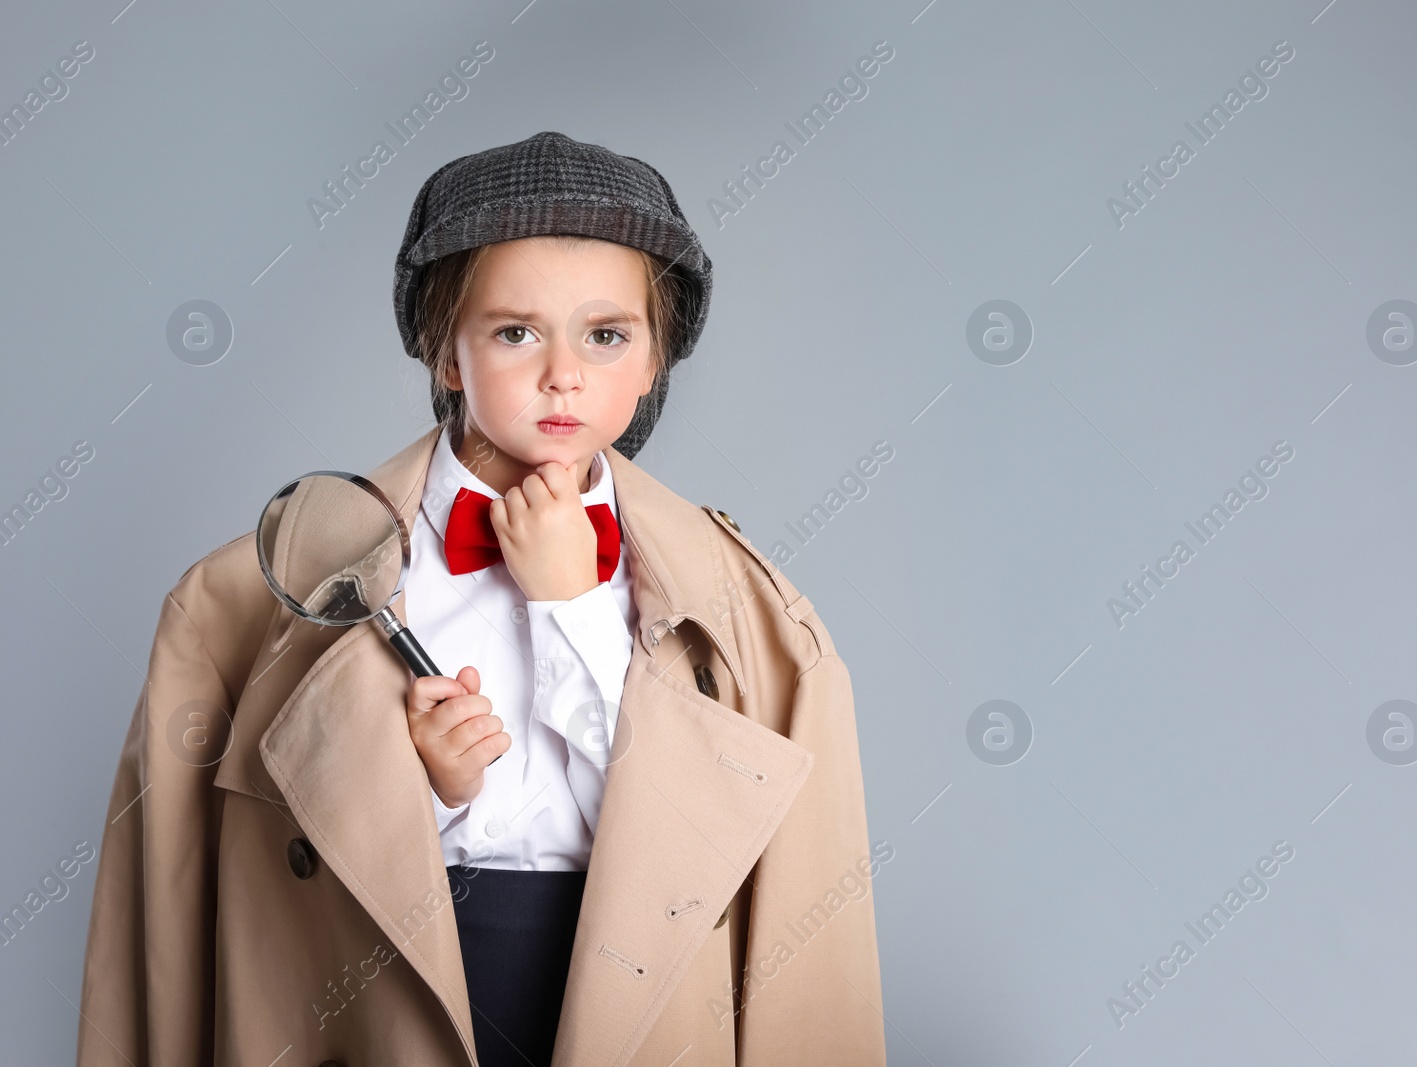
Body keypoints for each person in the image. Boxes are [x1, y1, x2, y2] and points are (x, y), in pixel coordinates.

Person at [75, 131, 887, 1066]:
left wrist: (572, 607)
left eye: (606, 334)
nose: (563, 374)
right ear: (444, 349)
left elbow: (794, 947)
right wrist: (435, 789)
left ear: (656, 357)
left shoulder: (762, 623)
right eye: (515, 331)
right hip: (373, 1018)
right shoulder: (237, 607)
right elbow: (164, 944)